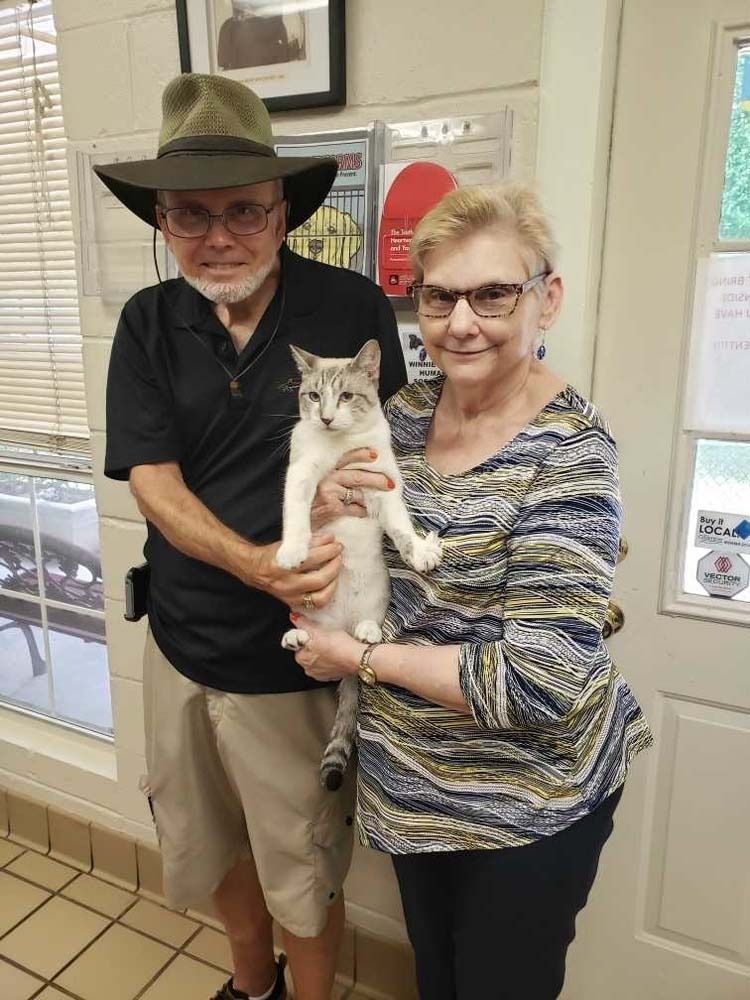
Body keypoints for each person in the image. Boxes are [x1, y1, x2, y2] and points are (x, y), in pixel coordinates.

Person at [290, 182, 654, 999]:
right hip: (416, 784)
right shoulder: (405, 413)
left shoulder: (571, 453)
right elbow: (350, 535)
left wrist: (360, 654)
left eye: (493, 293)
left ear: (546, 299)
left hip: (529, 803)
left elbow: (539, 680)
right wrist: (322, 534)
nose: (461, 322)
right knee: (440, 981)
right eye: (440, 296)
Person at [96, 73, 405, 1000]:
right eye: (192, 214)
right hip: (182, 643)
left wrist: (330, 528)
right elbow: (152, 477)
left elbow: (384, 461)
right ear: (161, 219)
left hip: (298, 660)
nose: (219, 236)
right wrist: (259, 563)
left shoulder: (348, 311)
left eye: (243, 211)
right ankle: (250, 984)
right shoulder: (148, 322)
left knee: (303, 870)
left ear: (282, 214)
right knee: (207, 846)